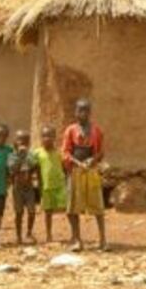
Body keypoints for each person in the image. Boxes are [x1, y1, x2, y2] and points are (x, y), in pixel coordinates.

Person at [62, 99, 107, 252]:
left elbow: (101, 152)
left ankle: (103, 240)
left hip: (91, 171)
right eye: (80, 110)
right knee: (72, 207)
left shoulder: (96, 131)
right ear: (75, 112)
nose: (83, 113)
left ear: (90, 112)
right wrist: (76, 162)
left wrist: (92, 160)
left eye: (86, 110)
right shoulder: (70, 130)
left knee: (97, 207)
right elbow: (66, 152)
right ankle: (77, 239)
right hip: (75, 171)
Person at [33, 125, 66, 244]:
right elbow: (34, 168)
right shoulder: (37, 153)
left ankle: (73, 234)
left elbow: (65, 168)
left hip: (60, 185)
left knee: (67, 209)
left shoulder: (59, 153)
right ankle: (48, 235)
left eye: (50, 136)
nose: (47, 138)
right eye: (44, 136)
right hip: (46, 187)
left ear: (54, 137)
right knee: (48, 212)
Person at [8, 130, 38, 246]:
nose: (22, 143)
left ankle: (29, 232)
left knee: (31, 211)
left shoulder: (31, 154)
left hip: (29, 187)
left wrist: (26, 155)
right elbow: (12, 168)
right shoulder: (12, 155)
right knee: (19, 212)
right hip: (17, 188)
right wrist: (20, 157)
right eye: (20, 140)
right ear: (15, 142)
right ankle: (18, 235)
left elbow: (33, 165)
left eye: (25, 141)